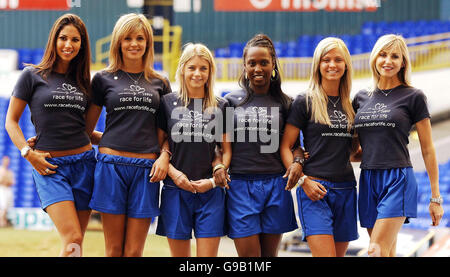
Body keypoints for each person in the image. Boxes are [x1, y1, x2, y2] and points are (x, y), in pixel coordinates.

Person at [5, 14, 95, 256]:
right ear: (53, 40)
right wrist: (28, 152)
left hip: (85, 165)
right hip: (49, 168)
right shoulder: (32, 75)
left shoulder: (85, 81)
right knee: (72, 236)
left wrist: (119, 139)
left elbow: (84, 131)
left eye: (75, 40)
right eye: (63, 38)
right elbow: (11, 122)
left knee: (76, 243)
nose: (68, 44)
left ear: (82, 44)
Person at [86, 13, 172, 257]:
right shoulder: (102, 79)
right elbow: (85, 131)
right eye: (127, 38)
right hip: (111, 167)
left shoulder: (160, 83)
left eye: (140, 38)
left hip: (147, 170)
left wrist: (164, 156)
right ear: (118, 42)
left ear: (148, 43)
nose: (134, 44)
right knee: (113, 250)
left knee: (134, 251)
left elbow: (168, 132)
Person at [352, 34, 444, 257]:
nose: (388, 61)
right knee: (386, 252)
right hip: (368, 179)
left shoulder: (414, 96)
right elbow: (356, 150)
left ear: (403, 62)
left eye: (395, 56)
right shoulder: (360, 98)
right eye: (383, 55)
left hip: (397, 179)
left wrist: (435, 197)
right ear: (374, 58)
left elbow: (428, 149)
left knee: (375, 250)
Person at [280, 37, 359, 257]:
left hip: (346, 189)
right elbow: (285, 147)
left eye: (337, 60)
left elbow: (352, 152)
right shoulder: (305, 101)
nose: (332, 65)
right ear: (318, 64)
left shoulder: (351, 106)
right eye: (326, 60)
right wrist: (303, 182)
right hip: (315, 190)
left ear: (346, 65)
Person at [223, 34, 298, 257]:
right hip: (240, 186)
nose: (258, 68)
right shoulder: (229, 101)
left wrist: (298, 162)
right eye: (252, 63)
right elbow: (220, 146)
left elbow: (295, 147)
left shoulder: (286, 103)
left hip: (276, 184)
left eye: (263, 62)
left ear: (273, 63)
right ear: (244, 66)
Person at [155, 43, 231, 257]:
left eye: (203, 68)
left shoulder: (222, 106)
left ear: (210, 72)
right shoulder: (167, 103)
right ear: (182, 70)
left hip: (210, 192)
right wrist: (174, 174)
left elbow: (225, 150)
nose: (197, 73)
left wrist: (215, 180)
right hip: (175, 191)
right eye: (192, 68)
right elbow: (159, 145)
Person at [0, 156, 15, 227]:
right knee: (4, 206)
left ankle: (4, 221)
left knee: (7, 206)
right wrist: (6, 180)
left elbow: (12, 182)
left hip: (8, 189)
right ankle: (2, 222)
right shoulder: (1, 170)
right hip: (2, 189)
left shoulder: (9, 171)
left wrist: (5, 180)